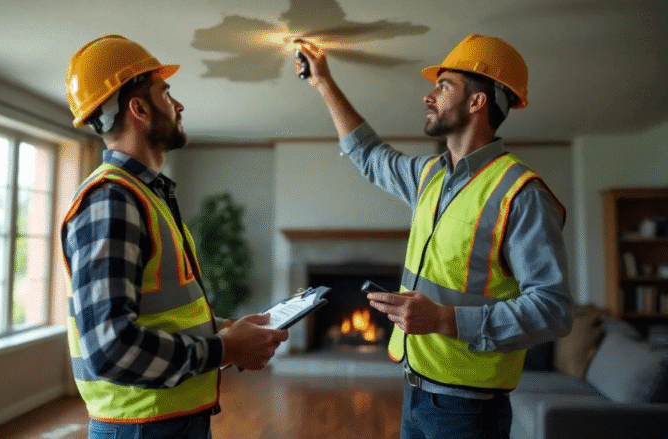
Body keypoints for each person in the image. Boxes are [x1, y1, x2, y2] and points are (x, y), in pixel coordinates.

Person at [296, 34, 573, 438]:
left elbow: (553, 309)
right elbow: (369, 155)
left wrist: (446, 319)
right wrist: (323, 81)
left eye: (443, 86)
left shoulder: (521, 194)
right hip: (415, 391)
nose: (429, 96)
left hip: (468, 409)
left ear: (476, 102)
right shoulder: (430, 176)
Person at [61, 35, 288, 439]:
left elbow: (158, 314)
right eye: (166, 93)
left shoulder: (145, 194)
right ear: (139, 108)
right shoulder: (112, 200)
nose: (179, 105)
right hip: (142, 427)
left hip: (165, 421)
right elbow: (110, 350)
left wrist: (223, 330)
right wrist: (225, 349)